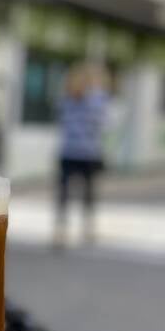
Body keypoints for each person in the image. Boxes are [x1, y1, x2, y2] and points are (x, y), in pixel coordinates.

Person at [55, 64, 107, 247]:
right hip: (69, 152)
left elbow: (102, 121)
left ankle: (88, 227)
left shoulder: (96, 100)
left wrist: (92, 95)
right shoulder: (66, 100)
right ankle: (61, 229)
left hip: (89, 153)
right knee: (64, 193)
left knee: (89, 192)